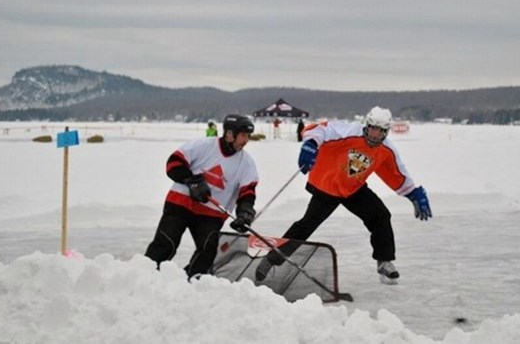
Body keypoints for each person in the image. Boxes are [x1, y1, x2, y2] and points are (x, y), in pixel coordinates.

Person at [255, 106, 432, 285]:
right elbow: (318, 129)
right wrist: (310, 145)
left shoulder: (386, 150)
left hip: (353, 189)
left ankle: (384, 261)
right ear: (366, 125)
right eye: (371, 127)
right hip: (327, 187)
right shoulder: (347, 132)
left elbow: (396, 173)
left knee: (381, 215)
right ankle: (271, 259)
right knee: (306, 225)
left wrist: (414, 193)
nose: (374, 133)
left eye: (379, 130)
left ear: (386, 132)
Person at [145, 114, 259, 278]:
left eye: (249, 136)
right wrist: (191, 181)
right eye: (243, 135)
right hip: (181, 204)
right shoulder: (202, 146)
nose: (246, 140)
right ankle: (146, 277)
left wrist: (245, 211)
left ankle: (192, 283)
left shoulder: (247, 163)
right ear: (229, 133)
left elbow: (247, 191)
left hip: (211, 214)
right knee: (166, 245)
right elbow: (173, 163)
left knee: (208, 251)